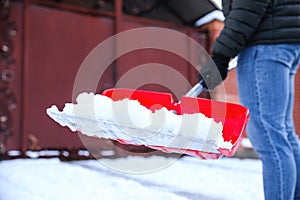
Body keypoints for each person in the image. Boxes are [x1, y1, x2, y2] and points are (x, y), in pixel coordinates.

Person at [200, 0, 300, 199]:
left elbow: (249, 6)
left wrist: (221, 54)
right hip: (285, 42)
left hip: (265, 45)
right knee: (282, 132)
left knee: (268, 135)